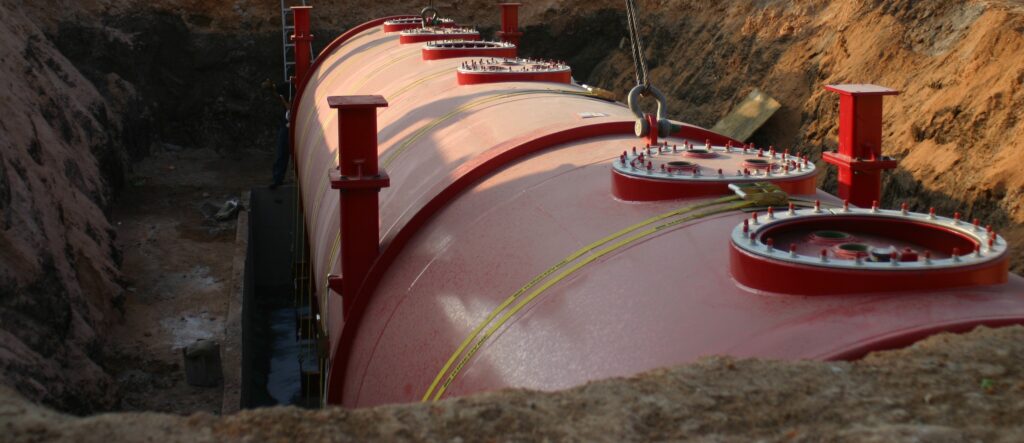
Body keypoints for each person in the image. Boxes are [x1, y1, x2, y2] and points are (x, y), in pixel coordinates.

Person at [263, 79, 291, 189]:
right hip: (287, 120)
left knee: (282, 149)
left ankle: (278, 178)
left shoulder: (283, 91)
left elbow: (289, 106)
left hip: (288, 121)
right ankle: (278, 178)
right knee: (282, 150)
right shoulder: (285, 88)